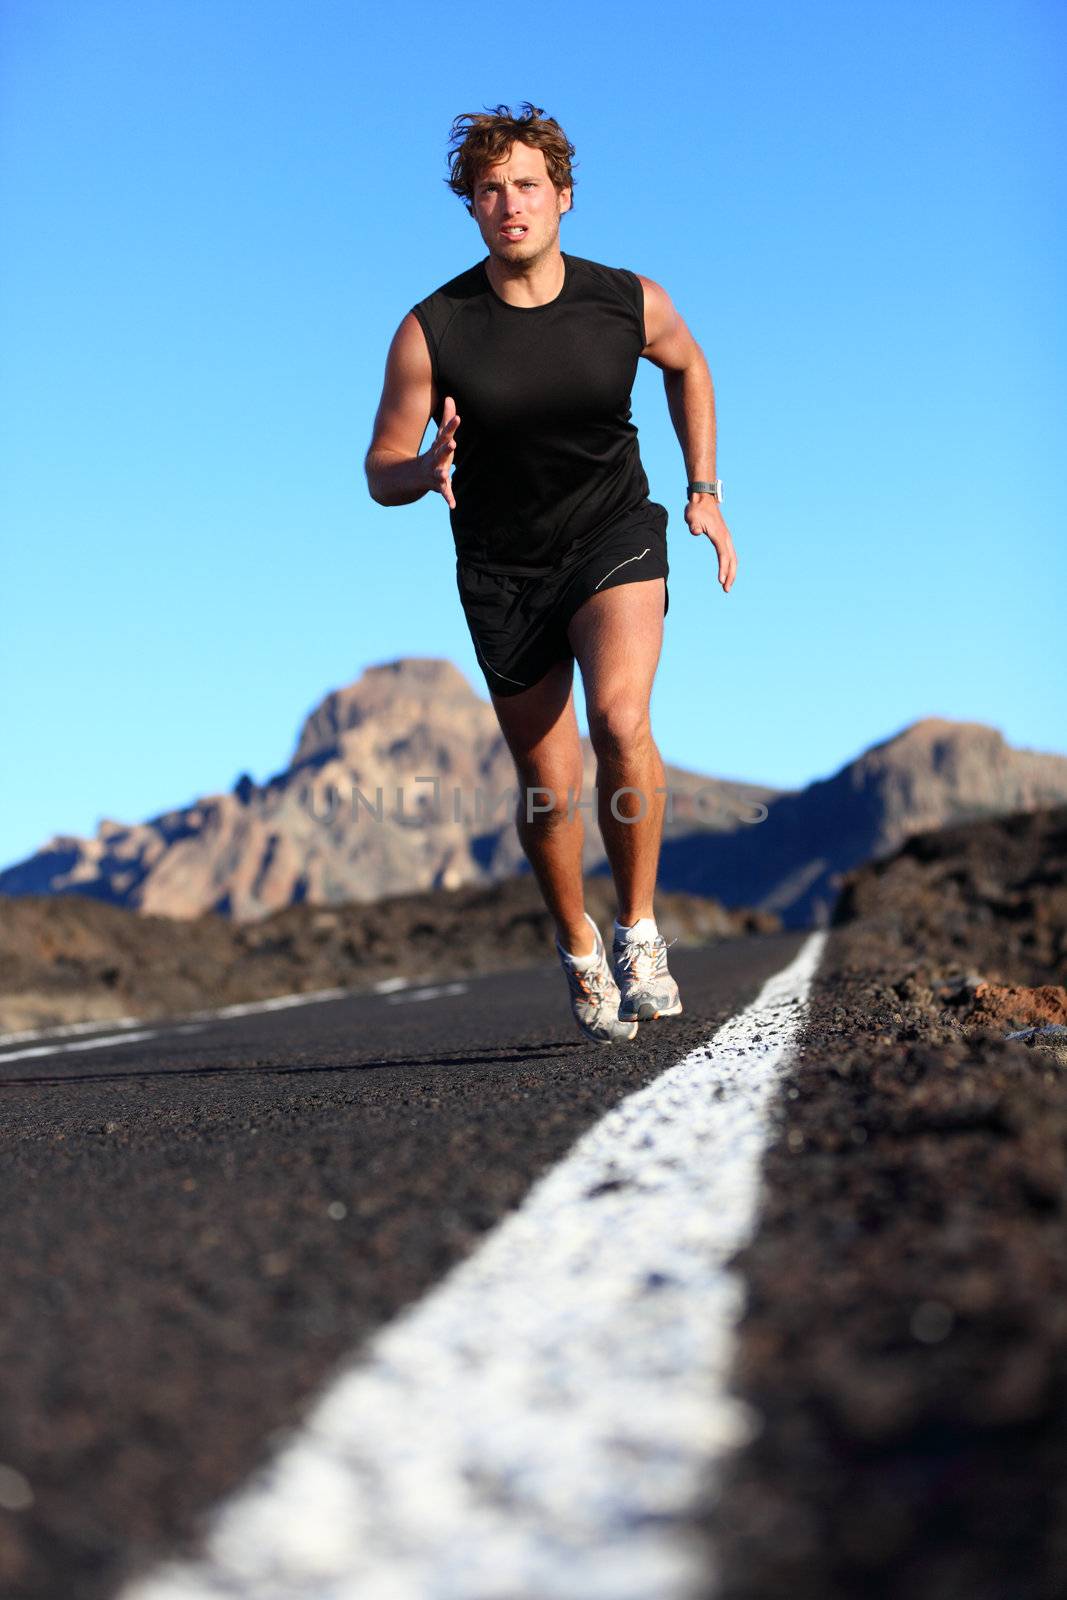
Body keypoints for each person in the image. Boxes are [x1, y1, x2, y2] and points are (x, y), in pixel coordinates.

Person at [364, 102, 737, 1046]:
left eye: (525, 185)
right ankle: (576, 943)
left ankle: (639, 931)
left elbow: (688, 367)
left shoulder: (625, 300)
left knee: (619, 718)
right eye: (489, 190)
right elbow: (379, 470)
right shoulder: (432, 328)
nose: (508, 204)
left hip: (612, 532)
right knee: (548, 784)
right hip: (501, 567)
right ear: (473, 209)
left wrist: (703, 488)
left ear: (562, 198)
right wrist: (425, 468)